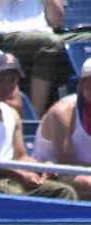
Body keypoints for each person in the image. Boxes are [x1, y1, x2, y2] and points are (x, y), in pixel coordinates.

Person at [0, 52, 77, 198]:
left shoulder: (12, 114)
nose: (7, 86)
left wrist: (42, 168)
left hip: (10, 179)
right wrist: (20, 174)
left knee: (64, 192)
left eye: (12, 81)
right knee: (16, 194)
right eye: (0, 80)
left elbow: (20, 157)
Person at [0, 0, 85, 115]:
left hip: (45, 34)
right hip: (6, 34)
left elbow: (56, 22)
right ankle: (34, 117)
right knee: (50, 43)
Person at [33, 61, 91, 200]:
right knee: (86, 182)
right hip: (53, 174)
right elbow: (67, 160)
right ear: (82, 85)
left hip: (85, 170)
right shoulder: (62, 112)